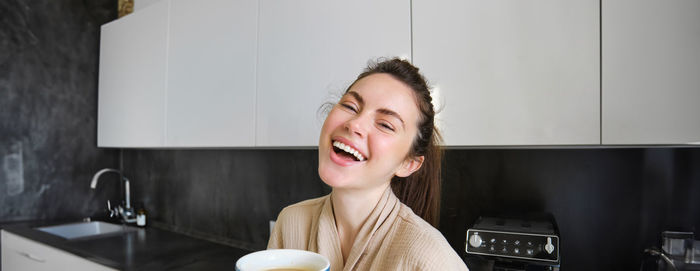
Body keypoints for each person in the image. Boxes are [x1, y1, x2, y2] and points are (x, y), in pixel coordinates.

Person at [268, 58, 468, 270]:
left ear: (408, 164)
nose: (354, 124)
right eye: (350, 106)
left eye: (385, 124)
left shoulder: (430, 259)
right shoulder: (291, 223)